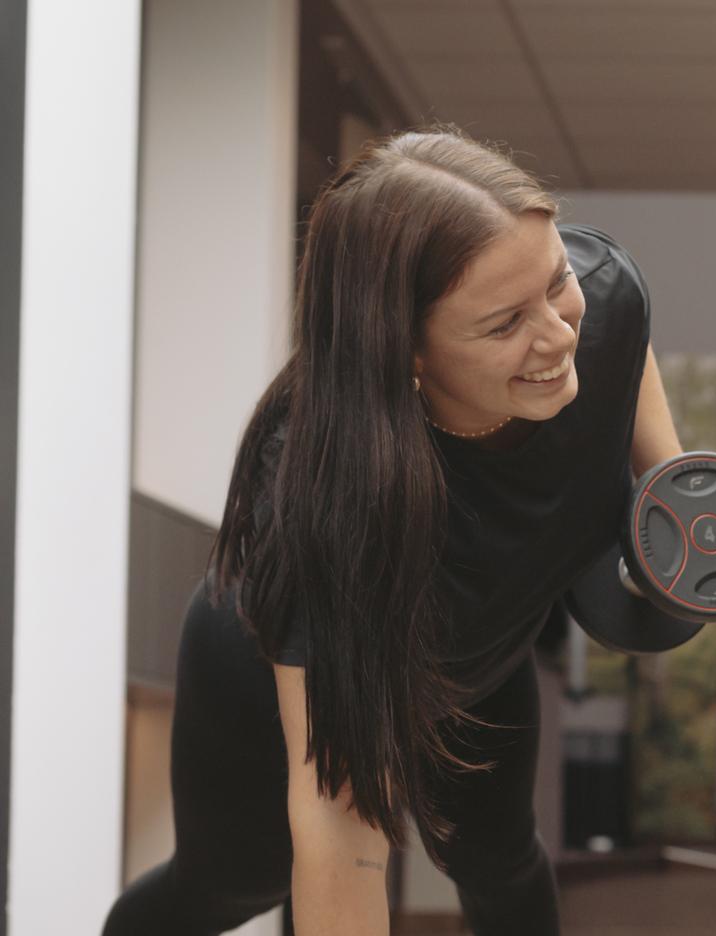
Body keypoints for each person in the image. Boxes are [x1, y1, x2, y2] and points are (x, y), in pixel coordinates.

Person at [103, 128, 683, 935]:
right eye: (504, 324)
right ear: (404, 349)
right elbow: (342, 830)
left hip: (474, 645)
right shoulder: (317, 492)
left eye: (557, 283)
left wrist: (671, 492)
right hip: (280, 661)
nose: (558, 335)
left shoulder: (602, 301)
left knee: (498, 855)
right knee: (238, 878)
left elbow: (620, 348)